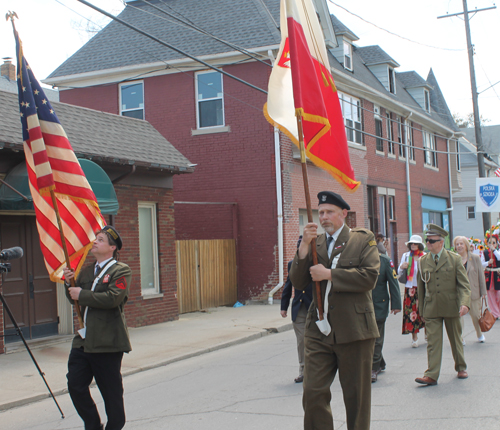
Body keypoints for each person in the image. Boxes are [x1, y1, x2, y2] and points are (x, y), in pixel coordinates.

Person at [289, 191, 380, 430]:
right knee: (313, 392)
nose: (324, 217)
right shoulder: (315, 243)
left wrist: (329, 274)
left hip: (354, 330)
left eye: (329, 212)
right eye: (321, 213)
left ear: (344, 214)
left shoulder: (362, 239)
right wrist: (303, 248)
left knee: (356, 399)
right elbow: (298, 283)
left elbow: (369, 277)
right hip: (319, 330)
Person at [63, 226, 132, 430]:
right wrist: (69, 284)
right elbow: (74, 300)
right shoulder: (86, 270)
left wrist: (81, 294)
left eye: (100, 240)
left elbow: (113, 299)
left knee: (111, 394)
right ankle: (93, 425)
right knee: (75, 385)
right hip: (83, 341)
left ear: (112, 247)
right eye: (96, 239)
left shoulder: (121, 270)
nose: (95, 242)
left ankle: (115, 425)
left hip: (107, 342)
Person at [415, 224, 471, 386]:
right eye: (427, 240)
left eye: (431, 241)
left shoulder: (454, 259)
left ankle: (461, 367)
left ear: (441, 242)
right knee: (433, 342)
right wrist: (421, 311)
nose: (428, 243)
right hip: (431, 308)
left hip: (452, 307)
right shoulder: (423, 261)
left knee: (455, 339)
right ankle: (432, 374)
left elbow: (464, 285)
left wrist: (465, 303)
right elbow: (421, 288)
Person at [280, 236, 313, 383]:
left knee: (315, 341)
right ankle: (303, 371)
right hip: (299, 308)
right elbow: (288, 285)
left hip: (315, 307)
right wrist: (283, 306)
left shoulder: (317, 264)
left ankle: (318, 370)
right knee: (302, 340)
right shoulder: (292, 264)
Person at [371, 247, 401, 382]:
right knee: (368, 338)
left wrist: (396, 304)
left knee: (376, 338)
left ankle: (373, 367)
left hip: (379, 305)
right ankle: (380, 362)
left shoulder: (384, 261)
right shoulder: (359, 260)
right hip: (363, 306)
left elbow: (393, 283)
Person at [453, 236, 487, 343]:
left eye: (461, 244)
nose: (459, 246)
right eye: (457, 244)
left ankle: (479, 333)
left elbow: (481, 276)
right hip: (458, 292)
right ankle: (461, 337)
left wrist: (484, 292)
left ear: (466, 246)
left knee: (475, 315)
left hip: (474, 292)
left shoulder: (475, 258)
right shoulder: (454, 259)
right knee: (459, 316)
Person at [398, 235, 425, 347]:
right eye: (411, 244)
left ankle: (428, 333)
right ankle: (414, 338)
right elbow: (398, 272)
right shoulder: (406, 256)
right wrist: (402, 267)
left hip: (422, 287)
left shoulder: (424, 257)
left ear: (419, 245)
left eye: (415, 243)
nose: (413, 245)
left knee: (424, 311)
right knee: (411, 313)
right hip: (410, 288)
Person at [484, 234, 500, 319]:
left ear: (497, 243)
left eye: (493, 242)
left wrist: (494, 250)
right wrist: (488, 263)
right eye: (490, 242)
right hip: (489, 275)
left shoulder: (498, 251)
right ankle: (495, 313)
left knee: (498, 294)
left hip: (497, 274)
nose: (491, 244)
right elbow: (481, 263)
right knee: (490, 295)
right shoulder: (484, 252)